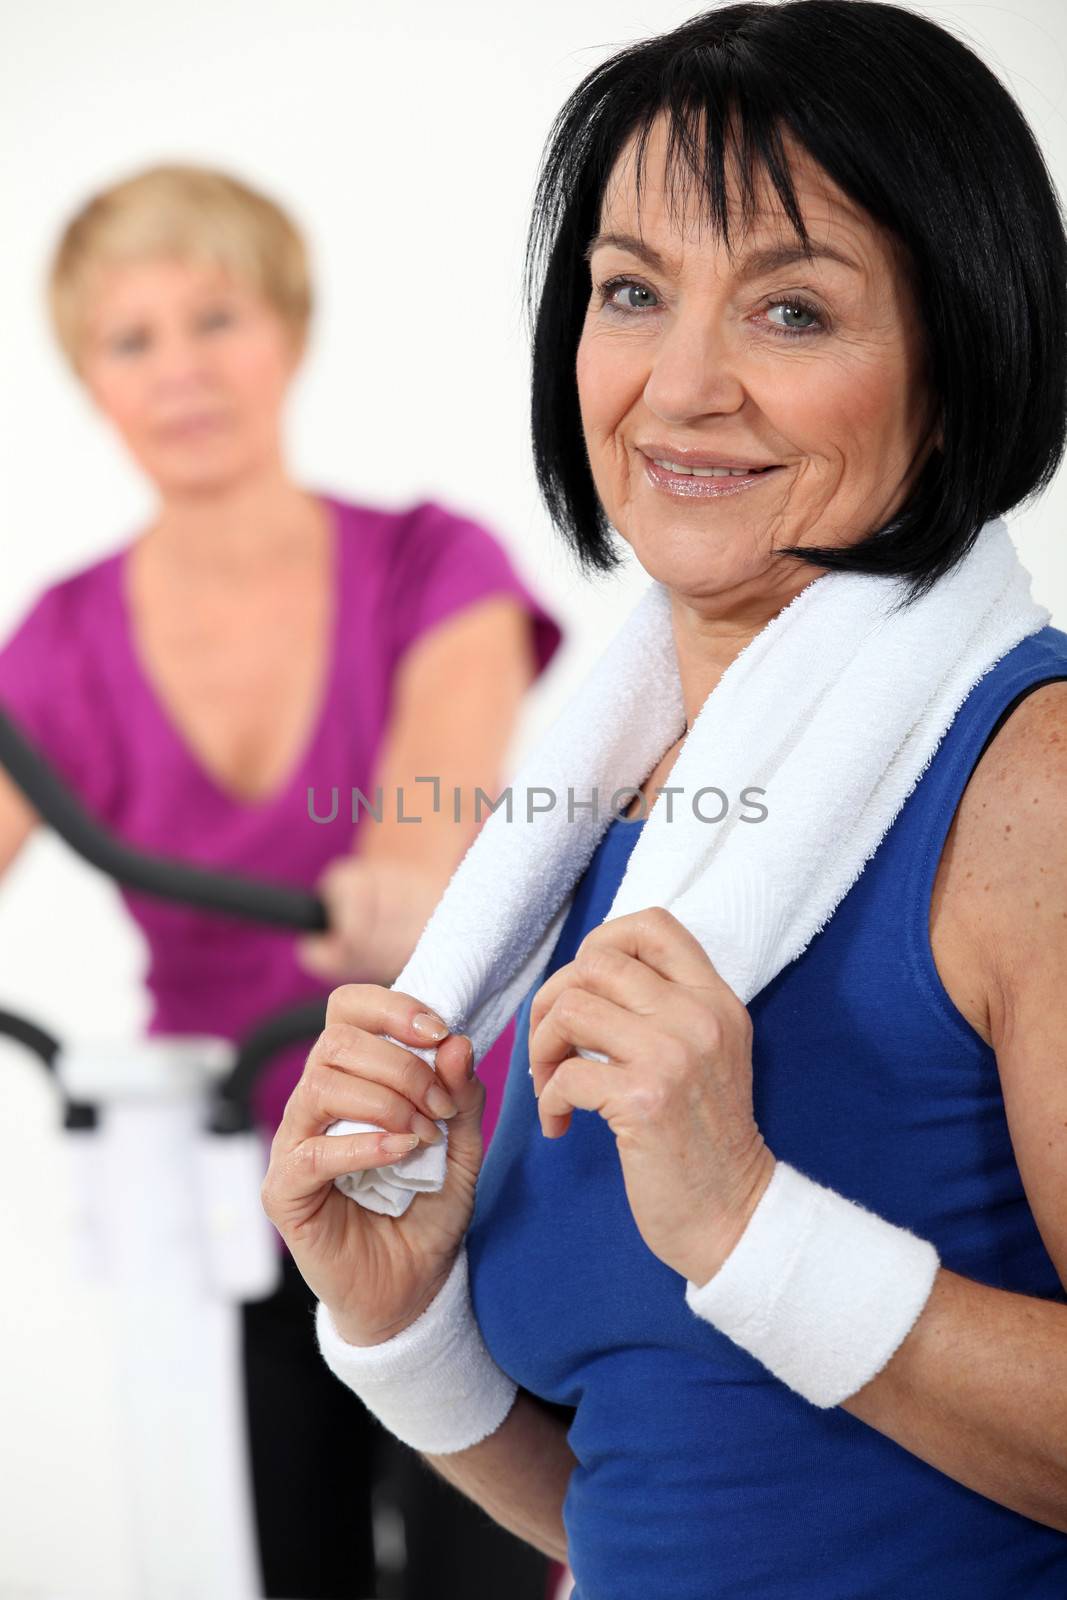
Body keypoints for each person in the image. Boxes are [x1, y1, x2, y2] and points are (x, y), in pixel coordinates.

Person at [262, 3, 1067, 1595]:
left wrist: (749, 1220)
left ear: (959, 355)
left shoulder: (1029, 790)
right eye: (632, 291)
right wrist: (399, 1313)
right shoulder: (601, 826)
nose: (683, 385)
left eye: (790, 309)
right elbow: (654, 1496)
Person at [0, 163, 563, 1597]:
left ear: (289, 335)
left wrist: (404, 884)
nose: (180, 369)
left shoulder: (435, 564)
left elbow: (430, 839)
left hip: (453, 1174)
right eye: (133, 340)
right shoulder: (60, 644)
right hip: (226, 1195)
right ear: (90, 379)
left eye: (216, 318)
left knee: (480, 1572)